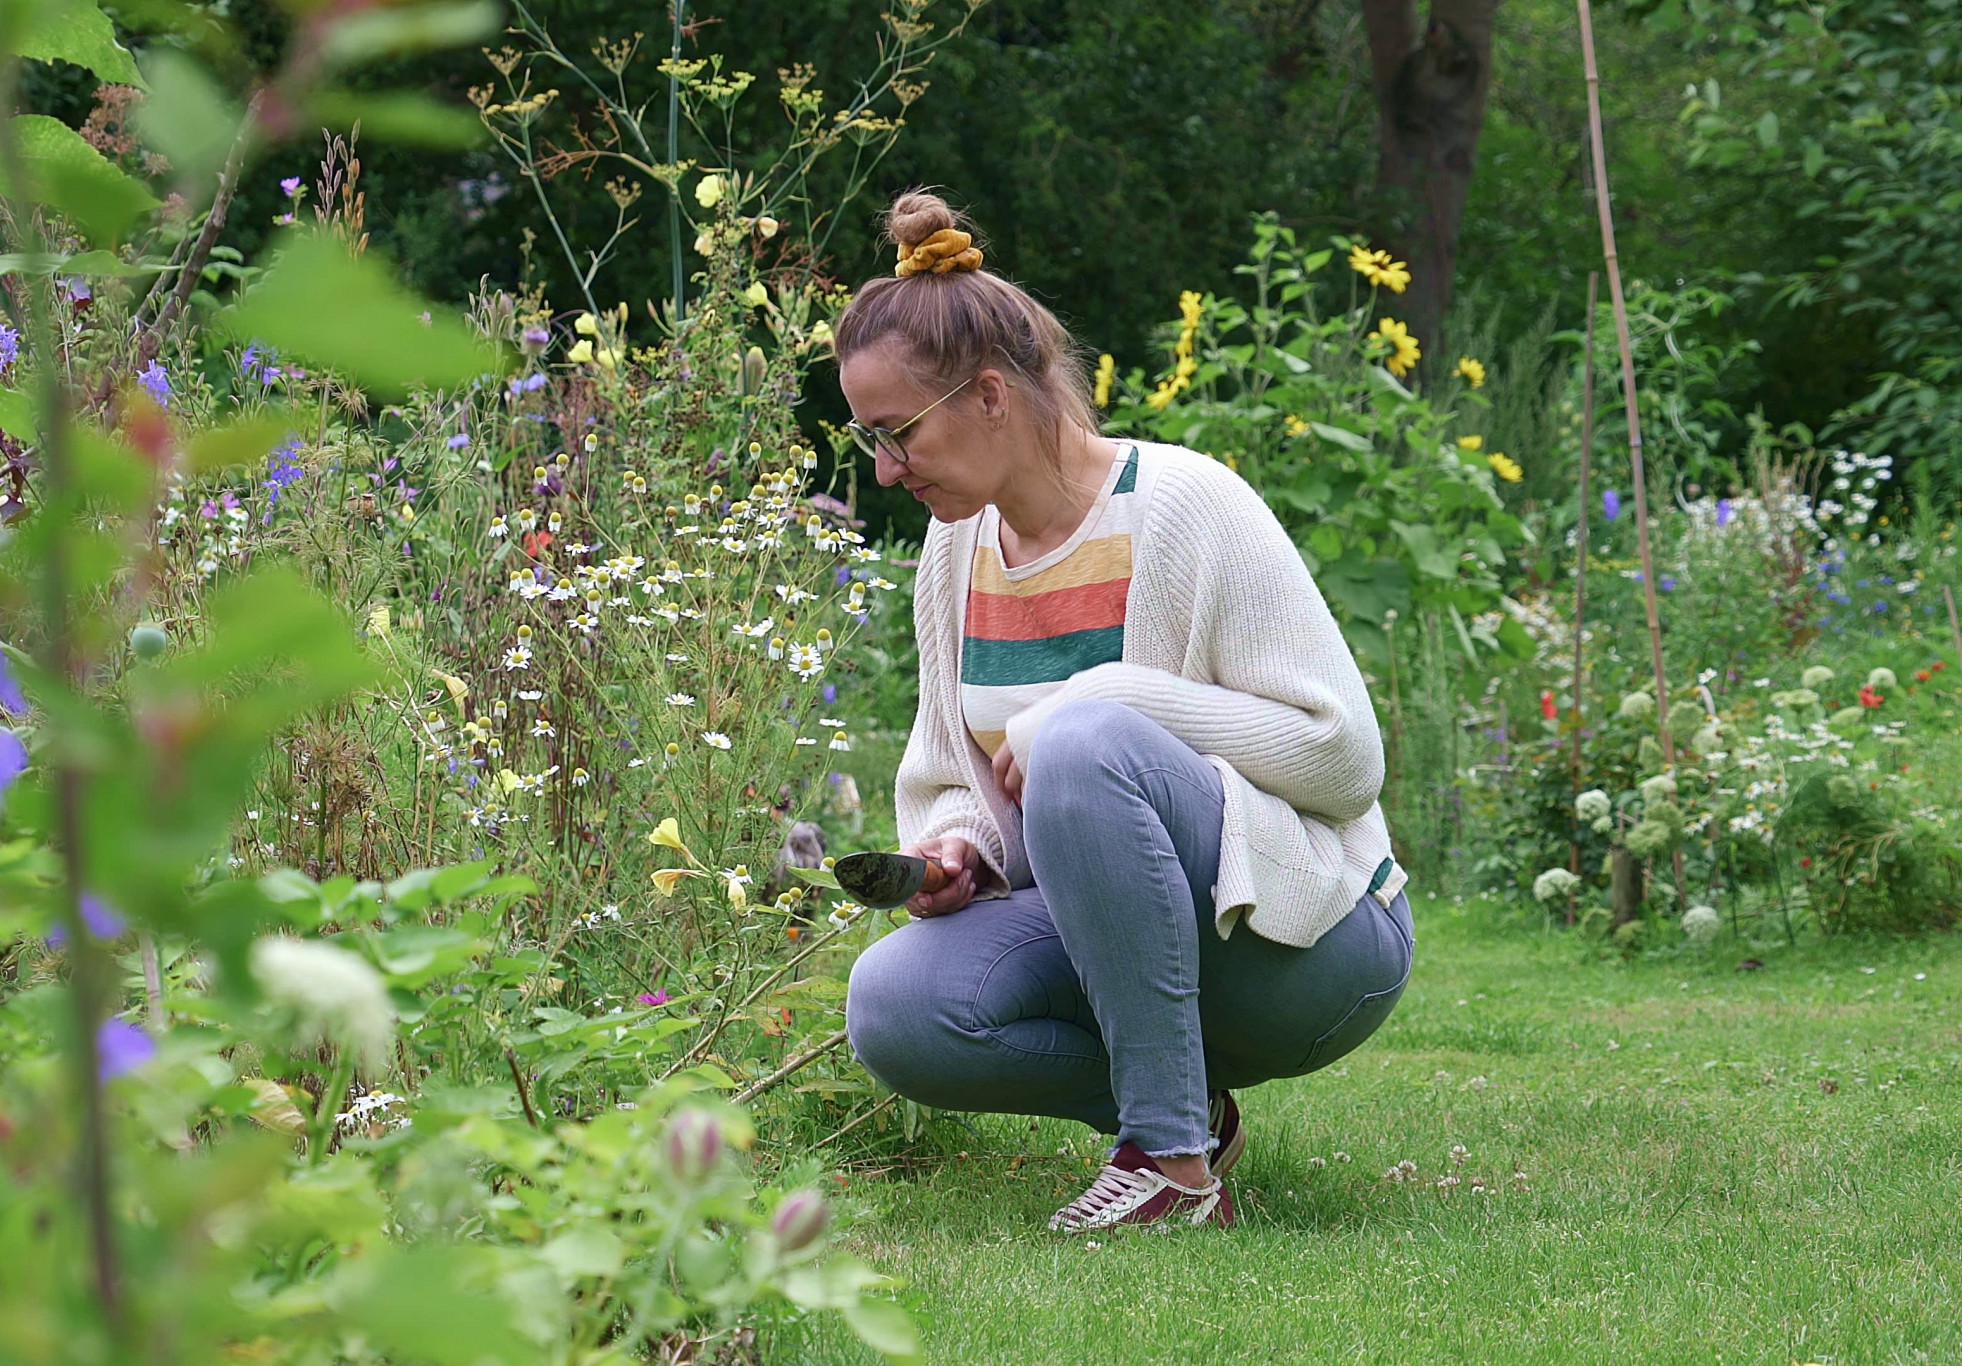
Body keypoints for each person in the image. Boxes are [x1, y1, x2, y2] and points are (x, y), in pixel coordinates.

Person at [839, 190, 1414, 1233]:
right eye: (868, 438)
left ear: (990, 396)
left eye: (896, 433)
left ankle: (1169, 1168)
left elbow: (1344, 759)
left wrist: (1103, 697)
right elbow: (948, 776)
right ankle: (1185, 1119)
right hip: (1123, 942)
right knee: (894, 1006)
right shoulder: (953, 550)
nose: (885, 469)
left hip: (1309, 944)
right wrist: (959, 848)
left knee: (1087, 731)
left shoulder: (1188, 504)